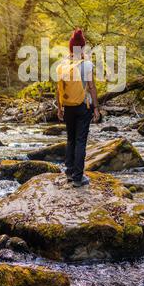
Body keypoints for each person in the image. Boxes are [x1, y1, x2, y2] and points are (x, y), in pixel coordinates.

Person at [56, 29, 100, 187]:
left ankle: (69, 172)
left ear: (70, 47)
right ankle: (78, 177)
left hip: (68, 107)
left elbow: (58, 89)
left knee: (70, 138)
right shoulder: (87, 65)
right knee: (81, 140)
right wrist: (96, 108)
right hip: (83, 106)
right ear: (82, 47)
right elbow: (92, 87)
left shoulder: (62, 65)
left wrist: (60, 108)